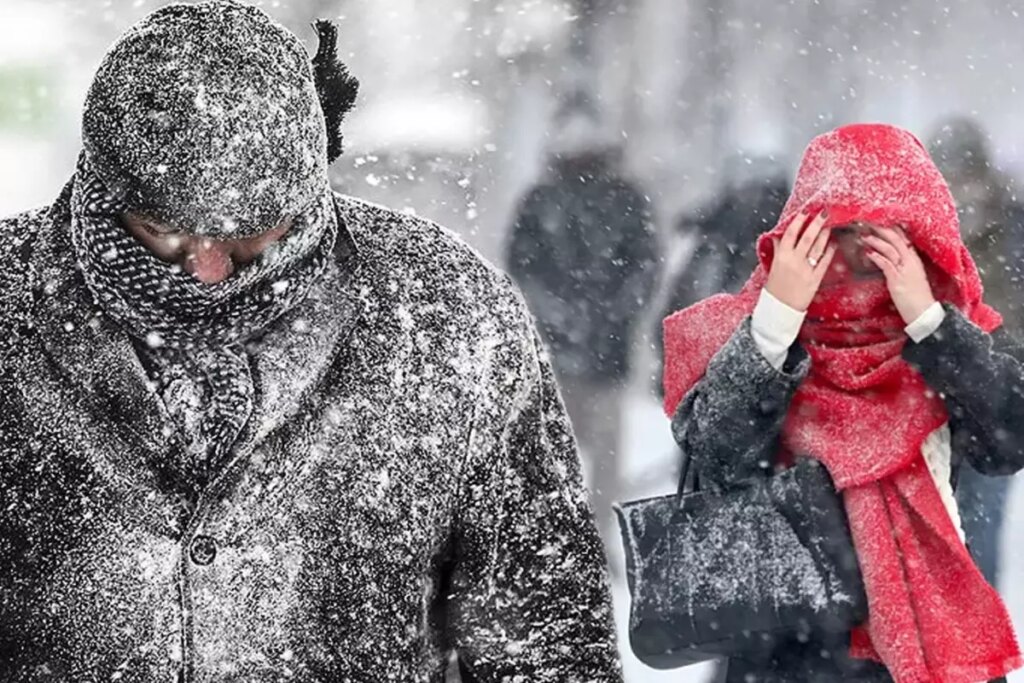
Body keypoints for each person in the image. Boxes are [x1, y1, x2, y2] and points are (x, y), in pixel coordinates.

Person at [0, 3, 621, 680]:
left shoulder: (448, 315)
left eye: (249, 236)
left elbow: (544, 635)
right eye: (162, 231)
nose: (208, 270)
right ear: (102, 191)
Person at [662, 124, 1023, 682]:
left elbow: (1008, 440)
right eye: (841, 228)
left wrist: (930, 322)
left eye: (882, 230)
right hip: (783, 648)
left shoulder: (948, 330)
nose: (858, 253)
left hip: (918, 656)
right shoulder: (762, 327)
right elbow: (716, 454)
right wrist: (776, 320)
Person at [506, 106, 659, 541]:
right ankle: (554, 543)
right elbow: (522, 267)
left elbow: (644, 269)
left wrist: (613, 314)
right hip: (555, 352)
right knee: (554, 454)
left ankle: (596, 541)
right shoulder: (540, 200)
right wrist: (556, 313)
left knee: (601, 457)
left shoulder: (625, 198)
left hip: (603, 354)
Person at [926, 116, 1024, 586]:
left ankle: (976, 644)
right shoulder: (921, 227)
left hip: (995, 396)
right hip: (931, 398)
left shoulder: (1012, 226)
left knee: (980, 526)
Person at [653, 156, 790, 396]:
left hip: (726, 373)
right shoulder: (716, 241)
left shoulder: (713, 238)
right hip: (746, 374)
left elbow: (675, 310)